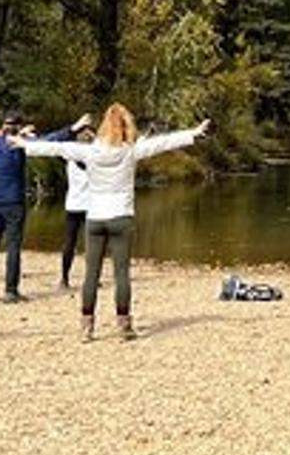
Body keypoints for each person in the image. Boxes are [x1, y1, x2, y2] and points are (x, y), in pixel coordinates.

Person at [16, 105, 208, 341]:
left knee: (91, 274)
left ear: (103, 127)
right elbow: (162, 144)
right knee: (121, 273)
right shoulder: (131, 151)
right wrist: (194, 134)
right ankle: (124, 325)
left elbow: (57, 147)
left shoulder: (89, 152)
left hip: (95, 218)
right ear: (126, 127)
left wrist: (25, 145)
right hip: (121, 217)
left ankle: (87, 327)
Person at [0, 111, 87, 305]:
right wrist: (74, 128)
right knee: (13, 247)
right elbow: (50, 141)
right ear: (18, 127)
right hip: (14, 202)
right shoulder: (19, 144)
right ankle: (10, 290)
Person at [57, 121, 96, 291]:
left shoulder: (70, 157)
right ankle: (91, 278)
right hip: (91, 206)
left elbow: (58, 144)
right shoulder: (95, 157)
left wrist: (73, 130)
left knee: (69, 243)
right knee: (92, 244)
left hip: (73, 204)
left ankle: (64, 279)